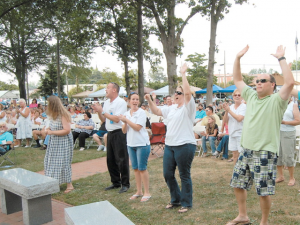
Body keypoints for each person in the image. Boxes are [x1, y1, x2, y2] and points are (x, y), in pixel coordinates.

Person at [227, 45, 294, 225]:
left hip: (265, 151)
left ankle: (264, 222)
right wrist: (238, 58)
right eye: (256, 80)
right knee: (238, 184)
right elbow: (237, 78)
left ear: (272, 85)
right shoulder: (251, 96)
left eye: (263, 80)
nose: (258, 83)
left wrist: (281, 59)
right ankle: (243, 216)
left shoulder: (277, 100)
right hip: (246, 150)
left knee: (263, 191)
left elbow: (289, 83)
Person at [145, 63, 196, 213]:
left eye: (179, 93)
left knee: (184, 174)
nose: (176, 94)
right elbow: (156, 110)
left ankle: (186, 203)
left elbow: (187, 94)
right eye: (175, 92)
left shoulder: (189, 107)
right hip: (170, 145)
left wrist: (183, 74)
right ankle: (176, 199)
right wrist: (149, 99)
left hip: (185, 144)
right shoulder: (171, 108)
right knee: (168, 174)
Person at [92, 82, 129, 194]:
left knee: (122, 159)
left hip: (119, 132)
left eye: (108, 87)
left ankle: (125, 184)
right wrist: (99, 111)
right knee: (111, 159)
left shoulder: (121, 102)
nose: (105, 89)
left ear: (114, 90)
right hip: (110, 133)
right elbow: (104, 119)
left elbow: (117, 119)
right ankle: (115, 181)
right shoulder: (107, 102)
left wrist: (103, 111)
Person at [119, 92, 151, 202]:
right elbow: (124, 131)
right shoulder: (127, 113)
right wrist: (125, 122)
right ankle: (139, 191)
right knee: (135, 169)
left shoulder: (142, 113)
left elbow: (137, 128)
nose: (135, 101)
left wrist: (126, 120)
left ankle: (147, 192)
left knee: (142, 168)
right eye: (133, 99)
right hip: (131, 144)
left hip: (142, 144)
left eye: (137, 99)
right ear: (129, 101)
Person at [44, 95, 74, 193]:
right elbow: (52, 127)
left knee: (63, 162)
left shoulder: (63, 115)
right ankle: (55, 181)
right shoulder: (53, 115)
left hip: (63, 142)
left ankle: (69, 185)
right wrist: (48, 129)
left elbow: (67, 130)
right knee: (51, 161)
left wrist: (52, 132)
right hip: (54, 142)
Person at [275, 98, 300, 186]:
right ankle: (281, 176)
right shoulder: (278, 104)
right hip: (277, 132)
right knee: (278, 155)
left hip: (288, 133)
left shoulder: (293, 105)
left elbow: (298, 121)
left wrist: (285, 122)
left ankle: (292, 178)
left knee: (288, 156)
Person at [222, 89, 246, 163]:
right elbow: (226, 120)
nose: (237, 96)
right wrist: (226, 111)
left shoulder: (244, 106)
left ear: (242, 97)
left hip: (240, 133)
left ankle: (243, 172)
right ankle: (235, 171)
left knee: (242, 154)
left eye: (239, 95)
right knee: (234, 154)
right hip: (232, 133)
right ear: (233, 97)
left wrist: (229, 110)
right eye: (235, 95)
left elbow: (239, 118)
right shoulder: (231, 106)